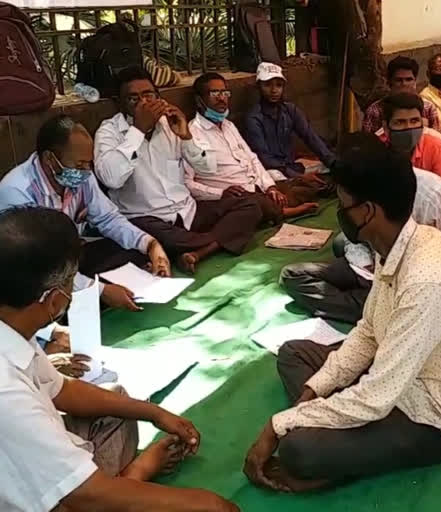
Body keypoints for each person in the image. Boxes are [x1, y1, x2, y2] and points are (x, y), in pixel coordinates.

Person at [244, 134, 441, 492]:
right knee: (293, 354)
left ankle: (331, 450)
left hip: (439, 414)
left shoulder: (428, 275)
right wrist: (314, 394)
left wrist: (278, 425)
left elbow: (378, 394)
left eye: (343, 202)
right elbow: (367, 332)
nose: (339, 211)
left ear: (368, 211)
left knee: (298, 449)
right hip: (397, 377)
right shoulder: (395, 244)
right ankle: (333, 430)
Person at [0, 206, 239, 512]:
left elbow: (63, 390)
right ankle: (129, 477)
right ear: (55, 299)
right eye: (74, 280)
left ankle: (117, 482)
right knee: (91, 498)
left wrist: (152, 412)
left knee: (117, 406)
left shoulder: (14, 325)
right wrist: (203, 502)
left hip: (33, 468)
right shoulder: (7, 393)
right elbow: (86, 496)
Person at [280, 134, 441, 325]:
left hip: (411, 287)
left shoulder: (429, 198)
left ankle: (368, 306)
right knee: (300, 270)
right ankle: (367, 304)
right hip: (373, 272)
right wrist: (366, 267)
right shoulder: (381, 242)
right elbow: (365, 335)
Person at [94, 66, 263, 274]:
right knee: (149, 237)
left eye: (149, 95)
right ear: (119, 103)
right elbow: (111, 179)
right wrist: (138, 130)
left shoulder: (169, 124)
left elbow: (207, 168)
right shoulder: (109, 131)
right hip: (147, 219)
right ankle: (213, 242)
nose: (145, 103)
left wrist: (186, 136)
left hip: (188, 212)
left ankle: (196, 250)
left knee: (250, 204)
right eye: (134, 99)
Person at [0, 115, 170, 313]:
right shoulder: (18, 191)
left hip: (69, 261)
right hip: (33, 271)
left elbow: (107, 218)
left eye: (89, 163)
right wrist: (100, 290)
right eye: (79, 165)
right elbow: (37, 262)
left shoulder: (82, 176)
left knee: (133, 251)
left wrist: (149, 244)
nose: (86, 171)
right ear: (49, 159)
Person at [186, 72, 324, 223]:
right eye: (214, 93)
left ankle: (272, 206)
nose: (221, 98)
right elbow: (188, 183)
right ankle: (280, 211)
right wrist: (220, 193)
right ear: (199, 100)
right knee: (251, 205)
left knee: (306, 185)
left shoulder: (228, 125)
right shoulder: (190, 134)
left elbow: (252, 158)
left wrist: (270, 188)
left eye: (225, 92)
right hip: (234, 196)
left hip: (255, 186)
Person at [378, 93, 441, 225]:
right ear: (386, 128)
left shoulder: (434, 145)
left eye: (414, 121)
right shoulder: (376, 149)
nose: (408, 127)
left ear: (423, 123)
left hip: (426, 218)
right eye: (400, 122)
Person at [243, 62, 336, 179]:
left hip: (292, 166)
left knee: (327, 168)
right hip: (272, 170)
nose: (274, 90)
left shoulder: (290, 110)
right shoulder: (254, 118)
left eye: (278, 85)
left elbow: (310, 137)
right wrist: (297, 176)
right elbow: (264, 157)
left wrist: (333, 162)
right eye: (267, 85)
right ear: (259, 87)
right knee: (275, 176)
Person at [363, 56, 441, 133]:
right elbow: (367, 142)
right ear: (389, 82)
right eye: (398, 80)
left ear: (415, 81)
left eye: (408, 79)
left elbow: (436, 139)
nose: (404, 84)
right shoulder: (375, 111)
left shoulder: (428, 109)